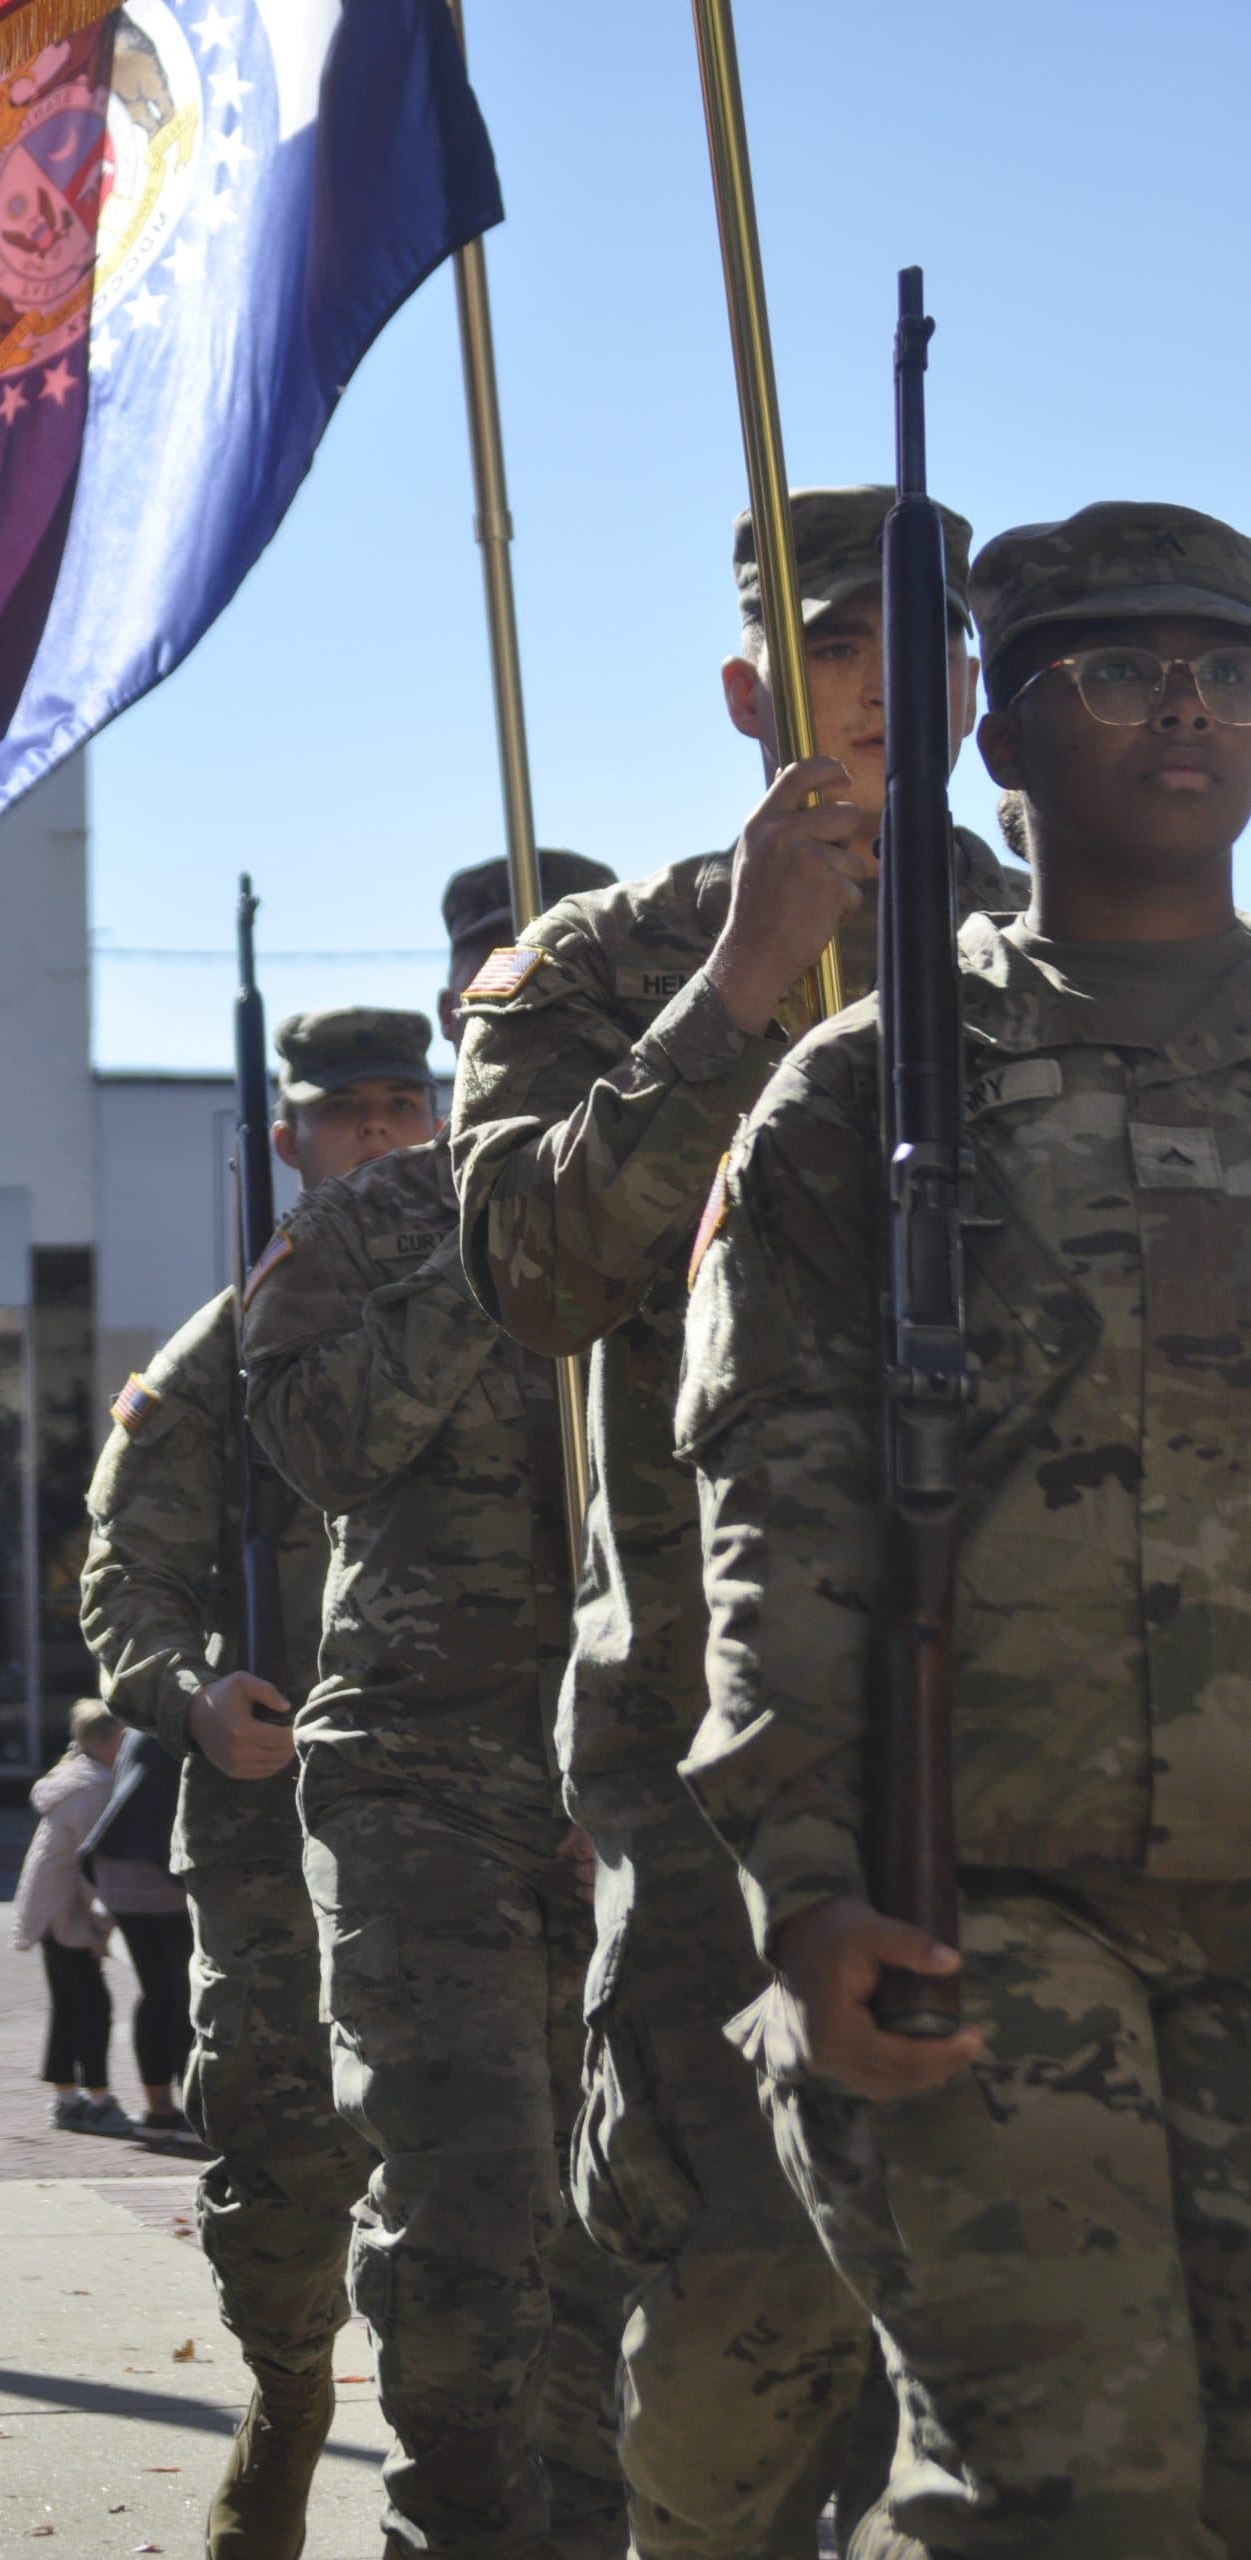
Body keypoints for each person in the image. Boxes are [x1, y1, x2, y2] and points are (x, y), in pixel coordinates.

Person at [452, 489, 1025, 2558]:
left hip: (1045, 1747)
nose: (882, 682)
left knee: (1042, 2381)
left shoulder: (1065, 945)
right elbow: (533, 1275)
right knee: (733, 2366)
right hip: (720, 1756)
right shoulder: (599, 964)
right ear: (745, 687)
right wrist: (743, 981)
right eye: (832, 641)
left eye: (921, 640)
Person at [678, 499, 1251, 2560]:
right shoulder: (870, 1095)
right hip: (982, 1911)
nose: (1184, 708)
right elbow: (778, 1516)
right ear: (997, 738)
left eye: (1225, 669)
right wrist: (803, 1887)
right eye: (1118, 669)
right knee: (1072, 2506)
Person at [242, 852, 630, 2560]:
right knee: (469, 2213)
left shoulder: (714, 1192)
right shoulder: (368, 1225)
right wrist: (504, 1240)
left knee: (632, 2227)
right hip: (425, 1776)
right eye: (501, 985)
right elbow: (321, 1446)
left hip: (641, 1781)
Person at [81, 1006, 438, 2560]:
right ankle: (291, 2397)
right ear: (285, 1140)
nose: (380, 1132)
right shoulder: (226, 1351)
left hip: (478, 1813)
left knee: (491, 2165)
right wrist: (189, 1696)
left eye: (402, 1103)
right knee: (284, 2160)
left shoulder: (524, 1302)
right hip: (273, 1827)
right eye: (345, 1112)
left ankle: (463, 2465)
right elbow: (125, 1580)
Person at [10, 1699, 132, 2136]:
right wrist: (101, 1925)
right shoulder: (94, 1789)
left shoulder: (72, 1778)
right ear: (110, 1741)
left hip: (47, 1908)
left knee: (68, 2004)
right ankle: (98, 2099)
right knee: (94, 2006)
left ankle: (66, 2098)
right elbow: (91, 1865)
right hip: (67, 1914)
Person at [84, 1722, 196, 2134]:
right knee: (184, 1994)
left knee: (157, 1992)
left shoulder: (138, 1729)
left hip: (116, 1872)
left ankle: (159, 2106)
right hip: (164, 1876)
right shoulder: (185, 1725)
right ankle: (193, 2108)